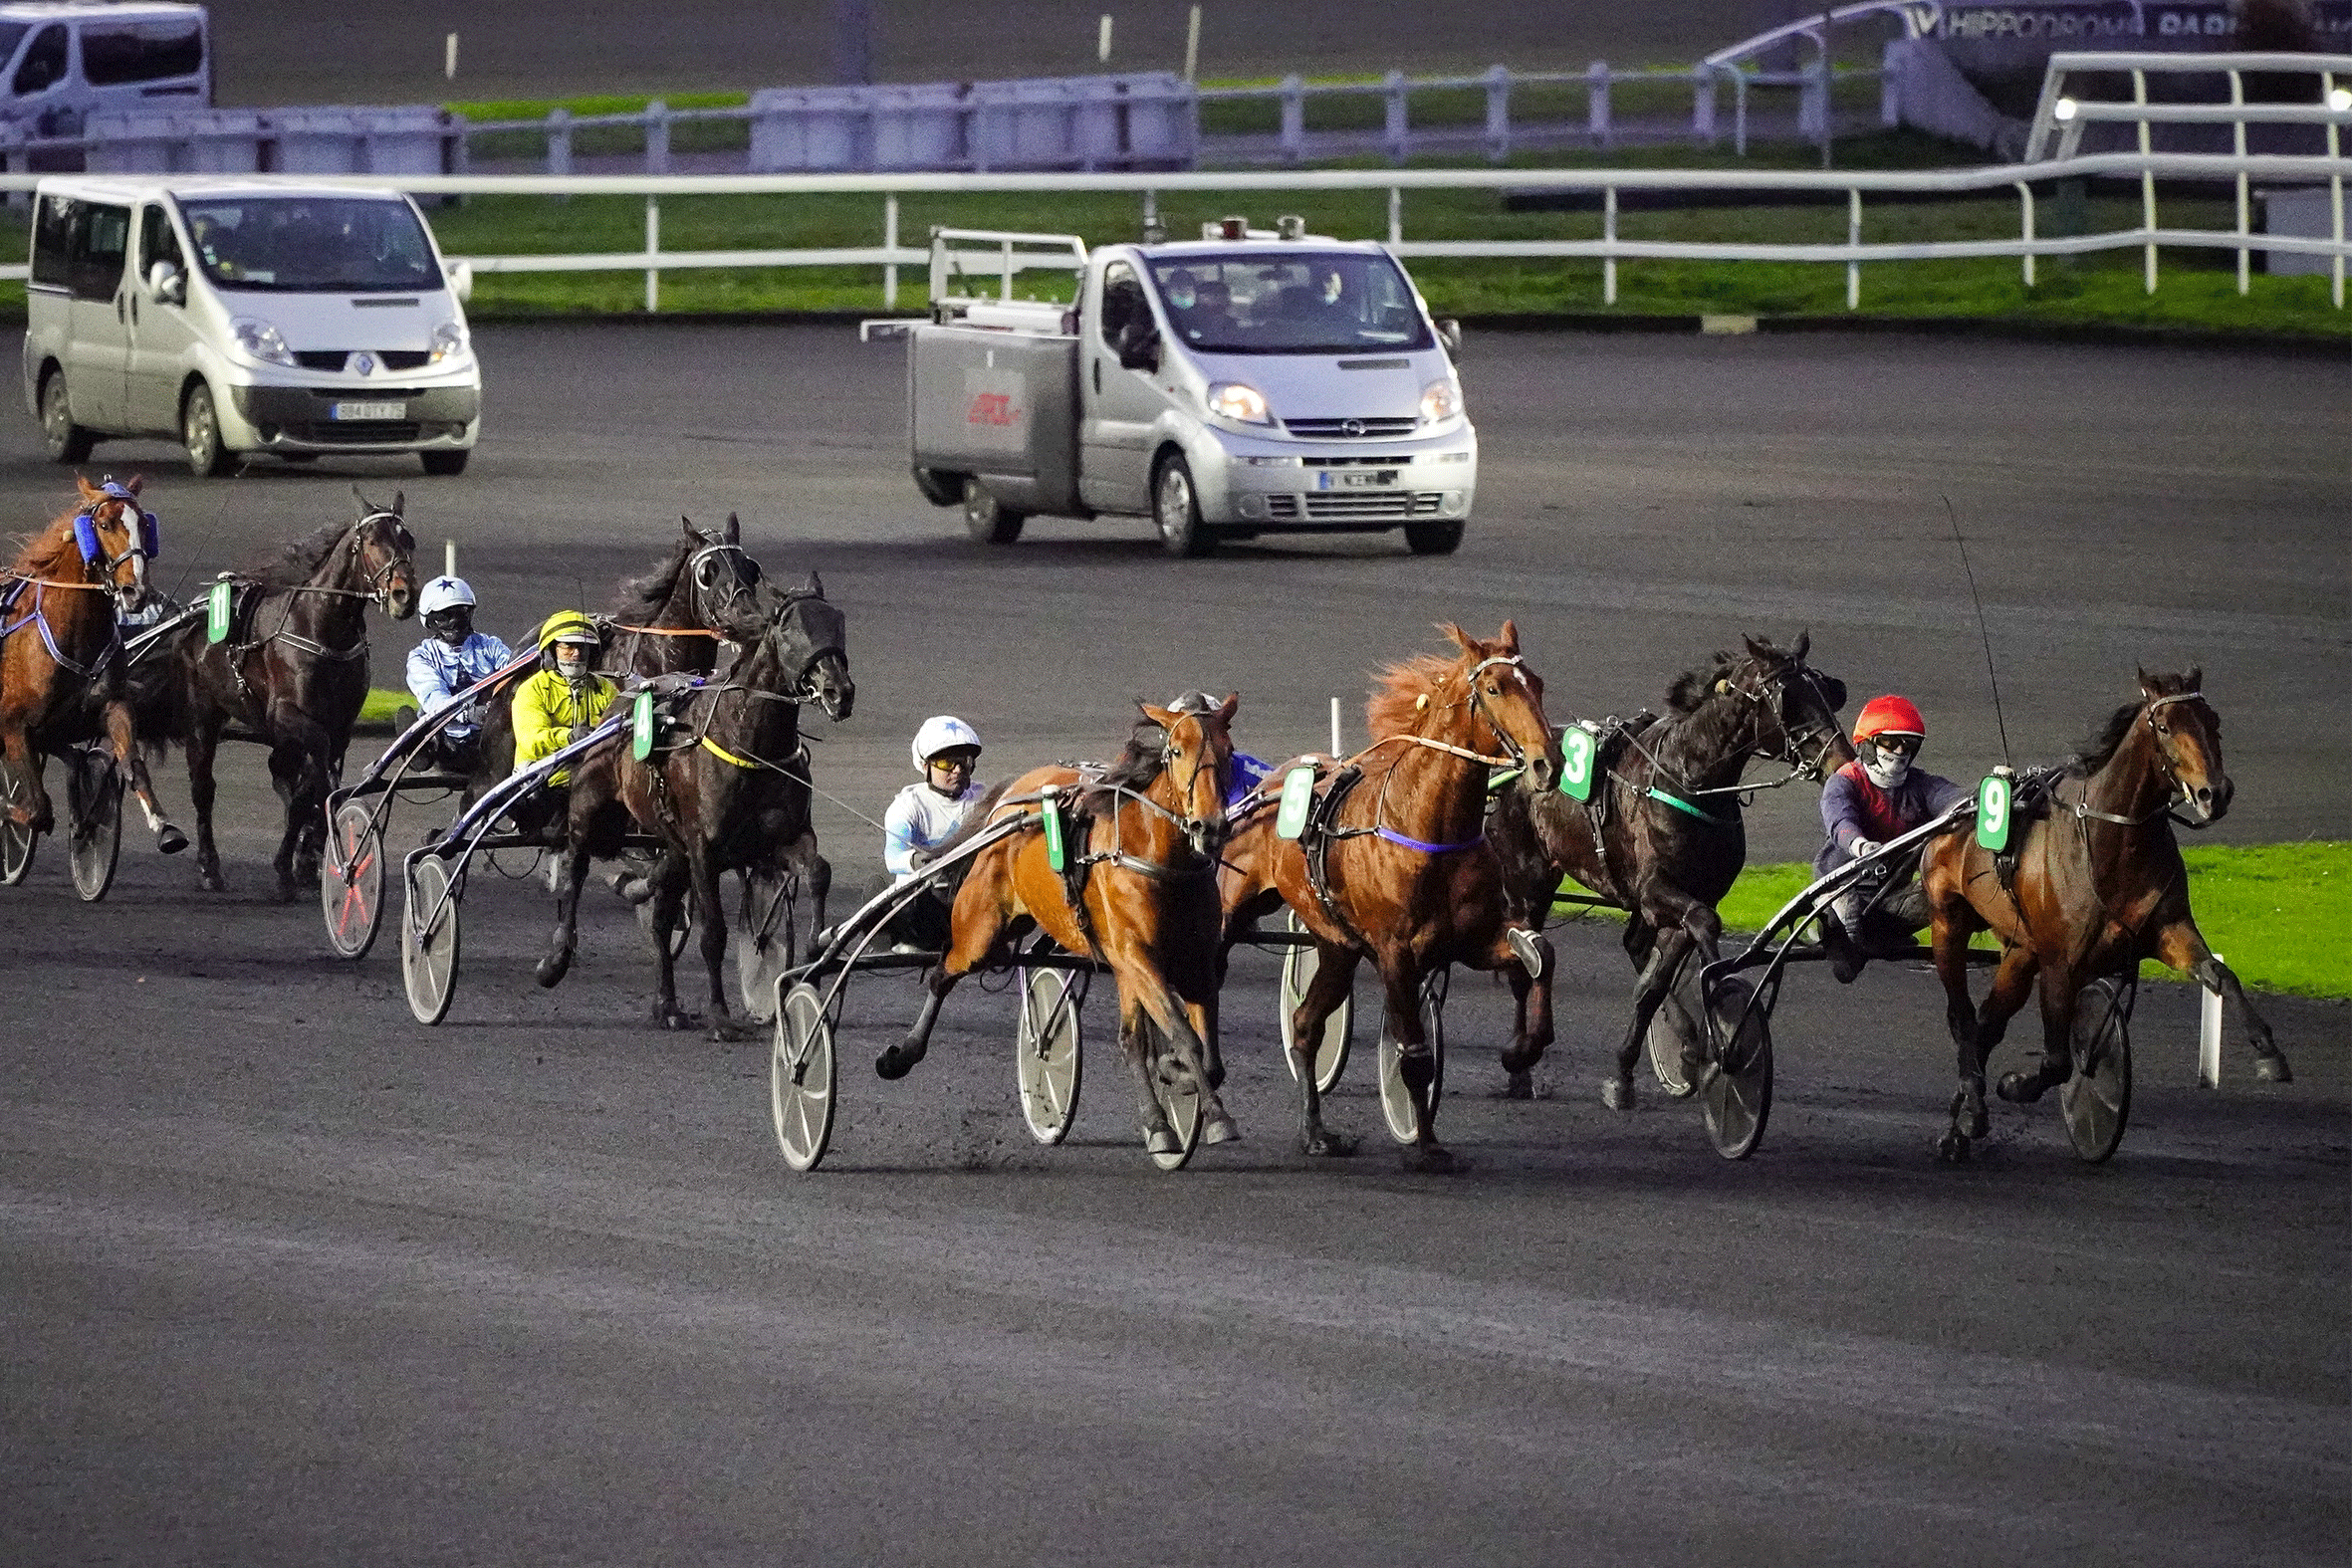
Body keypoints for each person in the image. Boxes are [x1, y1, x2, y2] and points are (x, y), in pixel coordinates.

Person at [1814, 694, 1968, 983]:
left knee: (1944, 895)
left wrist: (1991, 793)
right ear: (1868, 744)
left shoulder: (1920, 784)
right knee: (1847, 959)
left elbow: (1954, 798)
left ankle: (1879, 935)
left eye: (1908, 744)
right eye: (1890, 741)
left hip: (1890, 893)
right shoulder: (1844, 781)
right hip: (1842, 886)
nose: (1900, 750)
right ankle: (1836, 933)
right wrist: (1860, 845)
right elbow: (1840, 821)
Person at [863, 716, 991, 951]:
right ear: (925, 766)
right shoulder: (907, 806)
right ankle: (895, 933)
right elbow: (893, 858)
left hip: (969, 899)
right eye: (946, 763)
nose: (958, 770)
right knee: (918, 900)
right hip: (924, 899)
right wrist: (918, 860)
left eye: (964, 761)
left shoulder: (983, 799)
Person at [404, 575, 513, 774]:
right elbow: (433, 695)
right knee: (424, 716)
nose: (455, 622)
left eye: (460, 614)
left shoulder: (489, 646)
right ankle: (419, 747)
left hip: (492, 735)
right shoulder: (421, 657)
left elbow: (513, 669)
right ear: (430, 620)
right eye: (445, 616)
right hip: (447, 740)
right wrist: (467, 714)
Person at [510, 611, 618, 789]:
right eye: (568, 646)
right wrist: (568, 737)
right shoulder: (532, 689)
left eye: (583, 647)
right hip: (544, 779)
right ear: (552, 650)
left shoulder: (606, 688)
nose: (576, 654)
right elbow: (530, 741)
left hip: (593, 778)